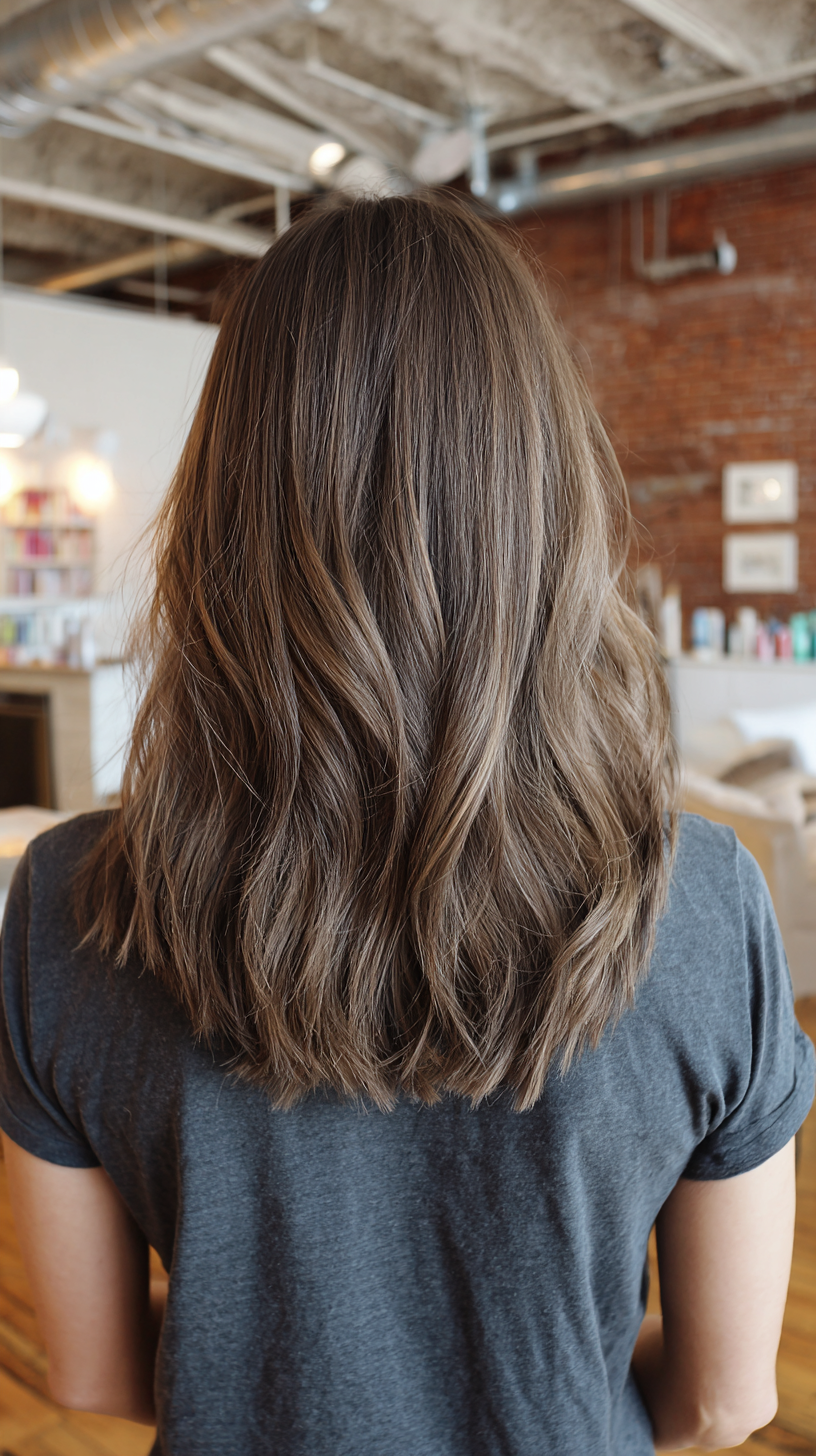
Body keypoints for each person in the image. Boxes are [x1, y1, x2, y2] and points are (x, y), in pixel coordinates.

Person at [0, 191, 812, 1456]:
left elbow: (96, 1374)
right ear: (544, 500)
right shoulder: (703, 900)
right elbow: (727, 1400)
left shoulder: (65, 901)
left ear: (226, 511)